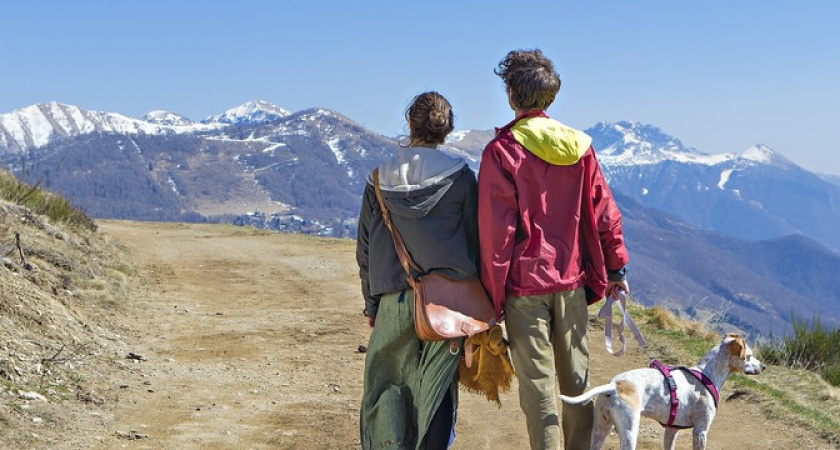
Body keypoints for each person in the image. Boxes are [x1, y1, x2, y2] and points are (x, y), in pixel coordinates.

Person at [477, 49, 630, 450]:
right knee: (577, 383)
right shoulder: (579, 147)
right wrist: (616, 271)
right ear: (551, 97)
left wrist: (492, 302)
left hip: (524, 290)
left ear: (511, 94)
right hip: (572, 282)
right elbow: (605, 214)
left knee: (538, 388)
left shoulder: (502, 152)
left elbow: (498, 238)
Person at [356, 91, 479, 450]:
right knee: (437, 389)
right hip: (448, 304)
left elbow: (366, 247)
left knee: (388, 385)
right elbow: (475, 243)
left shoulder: (378, 180)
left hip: (393, 299)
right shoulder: (460, 178)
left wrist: (372, 304)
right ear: (447, 130)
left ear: (410, 124)